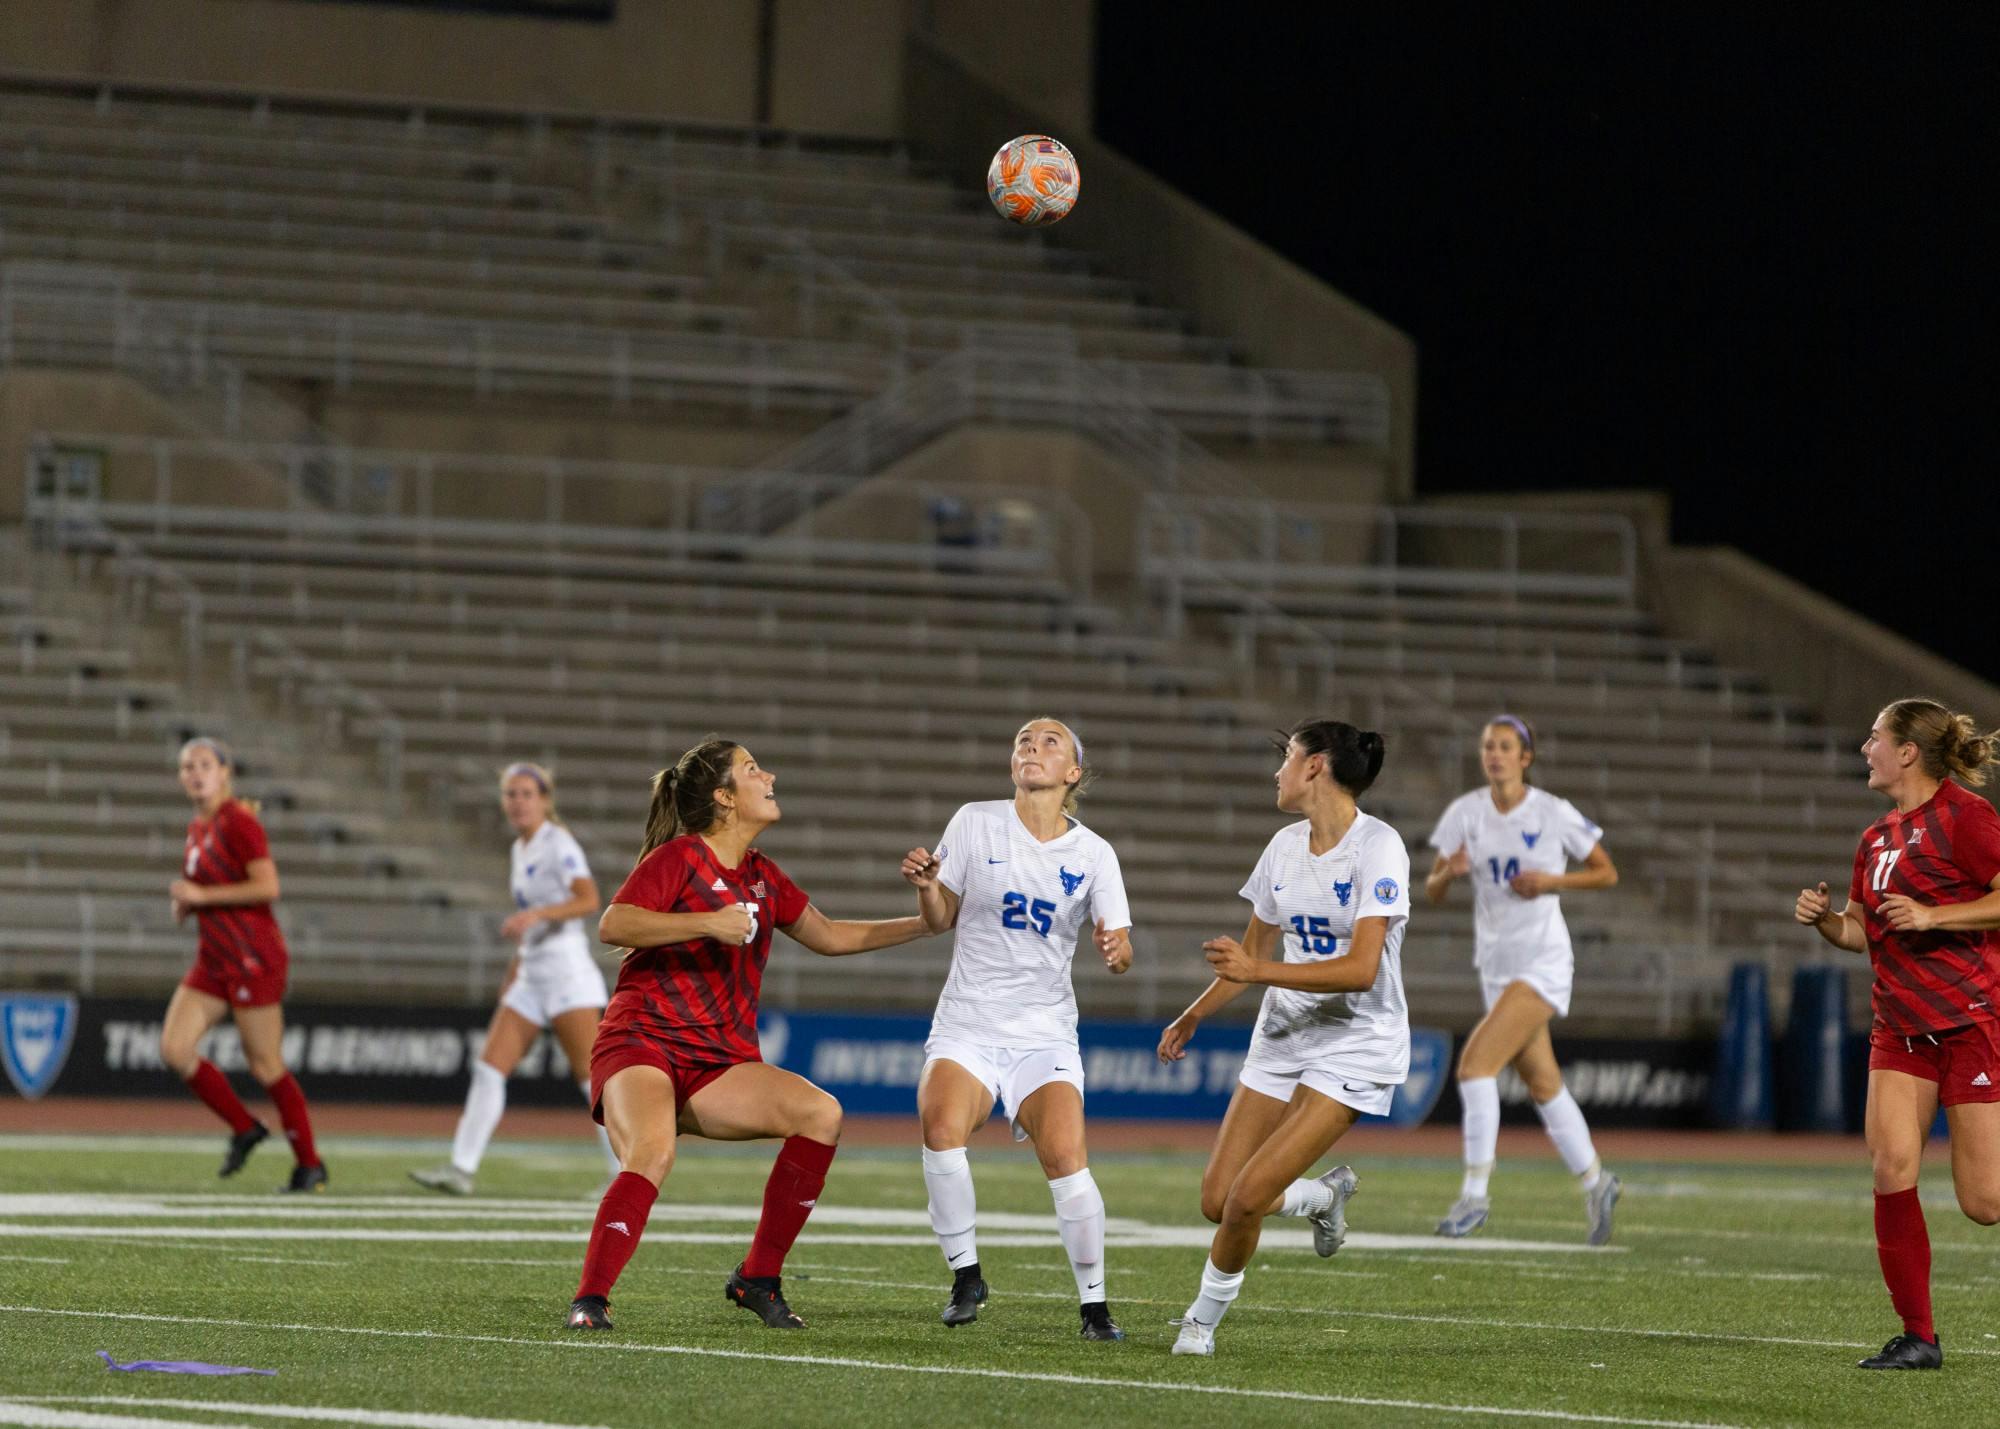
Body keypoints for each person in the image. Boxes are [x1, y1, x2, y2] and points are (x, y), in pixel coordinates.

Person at [567, 737, 935, 1332]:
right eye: (751, 769)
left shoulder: (763, 875)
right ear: (724, 798)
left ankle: (757, 1278)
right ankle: (591, 1299)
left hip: (719, 1061)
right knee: (654, 1151)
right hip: (643, 1041)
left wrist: (925, 923)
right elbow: (615, 922)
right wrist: (707, 922)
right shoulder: (680, 858)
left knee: (822, 1114)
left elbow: (831, 935)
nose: (769, 775)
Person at [1158, 718, 1407, 1358]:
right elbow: (1251, 954)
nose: (1278, 770)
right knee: (1218, 1199)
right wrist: (1194, 1013)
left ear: (1317, 765)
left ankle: (1200, 1323)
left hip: (1356, 1039)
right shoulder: (1282, 846)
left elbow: (1360, 970)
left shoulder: (1379, 847)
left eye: (1287, 756)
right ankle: (1324, 1195)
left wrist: (1258, 972)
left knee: (1247, 1198)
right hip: (1284, 1034)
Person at [899, 718, 1135, 1341]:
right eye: (1023, 741)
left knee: (1066, 1159)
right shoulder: (974, 821)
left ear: (1073, 773)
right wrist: (927, 888)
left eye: (1049, 742)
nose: (1032, 747)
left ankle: (1094, 1307)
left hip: (1043, 1032)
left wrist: (1115, 952)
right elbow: (940, 917)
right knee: (940, 1127)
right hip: (968, 1025)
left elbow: (1121, 947)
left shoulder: (1094, 854)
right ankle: (966, 1275)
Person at [1795, 697, 2000, 1372]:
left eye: (1874, 736)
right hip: (1899, 1029)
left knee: (1985, 1203)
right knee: (1890, 1166)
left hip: (1971, 1022)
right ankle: (1919, 1336)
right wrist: (1826, 920)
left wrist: (1936, 916)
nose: (1865, 747)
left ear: (1908, 751)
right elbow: (1861, 930)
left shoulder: (1968, 818)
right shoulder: (1875, 838)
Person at [1423, 714, 1622, 1243]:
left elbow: (1606, 871)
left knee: (1474, 1066)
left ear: (1525, 757)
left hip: (1542, 960)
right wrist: (1448, 873)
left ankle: (1474, 1196)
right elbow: (1432, 890)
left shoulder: (1552, 812)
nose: (1495, 754)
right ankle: (1598, 1182)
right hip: (1496, 965)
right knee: (1542, 1084)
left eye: (1505, 746)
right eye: (1488, 745)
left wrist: (1552, 881)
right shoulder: (1465, 813)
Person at [412, 762, 618, 1196]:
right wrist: (515, 968)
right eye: (511, 794)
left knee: (592, 1077)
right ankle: (461, 1169)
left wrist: (538, 914)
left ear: (545, 799)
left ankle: (625, 1173)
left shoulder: (557, 843)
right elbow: (532, 927)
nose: (518, 802)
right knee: (489, 1068)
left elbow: (589, 898)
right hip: (533, 973)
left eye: (526, 793)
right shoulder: (520, 848)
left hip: (566, 974)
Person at [159, 736, 326, 1193]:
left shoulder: (239, 821)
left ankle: (309, 1165)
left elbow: (268, 886)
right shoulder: (198, 826)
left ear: (225, 772)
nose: (196, 773)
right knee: (175, 1049)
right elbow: (207, 888)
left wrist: (202, 896)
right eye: (188, 766)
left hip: (253, 957)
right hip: (213, 959)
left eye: (205, 764)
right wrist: (188, 906)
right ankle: (244, 1127)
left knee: (266, 1064)